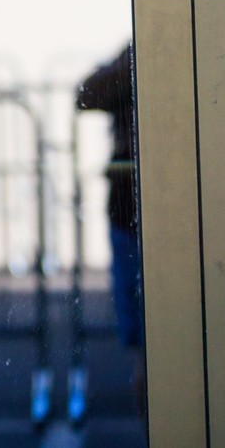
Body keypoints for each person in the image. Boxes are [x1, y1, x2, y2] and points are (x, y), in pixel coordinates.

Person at [76, 42, 143, 413]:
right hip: (128, 215)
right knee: (144, 355)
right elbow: (87, 93)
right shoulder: (138, 53)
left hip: (139, 215)